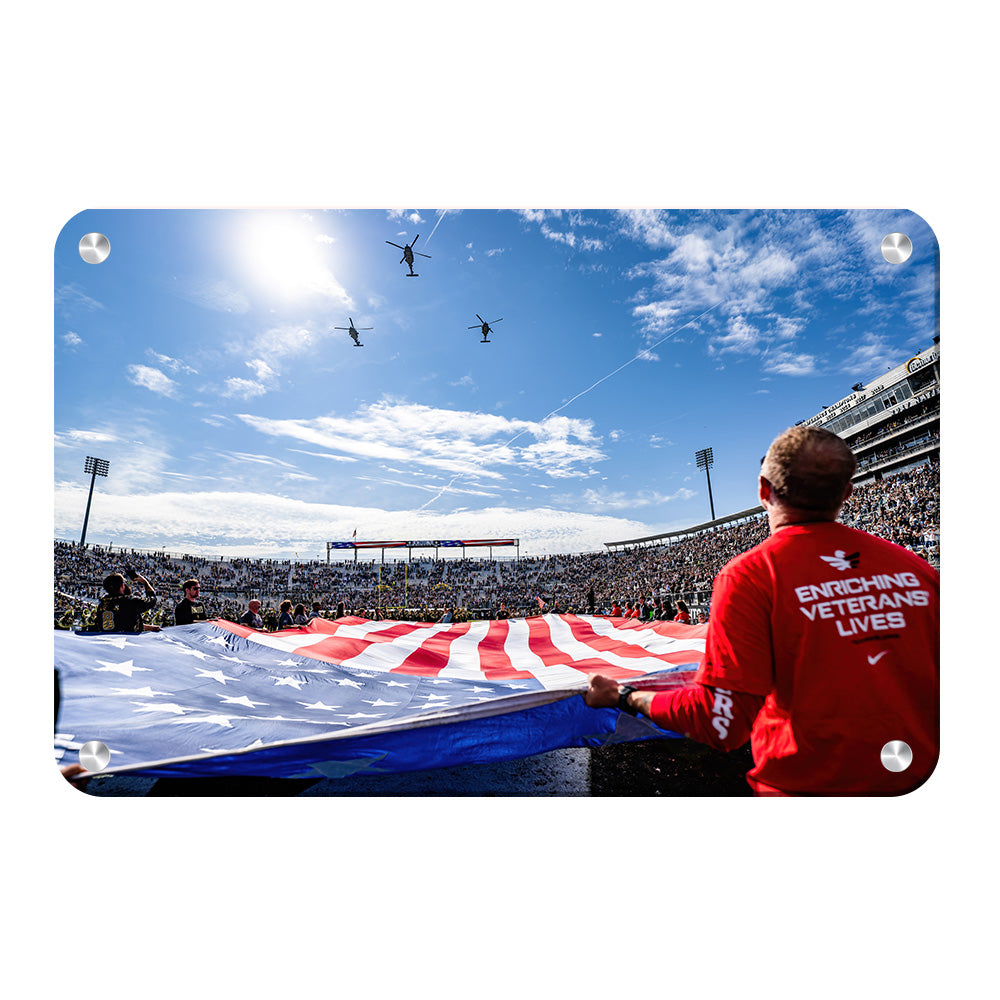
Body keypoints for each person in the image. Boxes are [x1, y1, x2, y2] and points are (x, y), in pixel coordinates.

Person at [584, 426, 939, 796]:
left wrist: (623, 696)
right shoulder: (917, 570)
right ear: (847, 492)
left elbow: (720, 723)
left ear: (763, 490)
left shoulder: (751, 575)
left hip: (807, 788)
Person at [88, 571, 158, 634]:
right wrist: (145, 582)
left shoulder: (102, 605)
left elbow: (119, 624)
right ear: (122, 586)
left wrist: (150, 628)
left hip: (109, 642)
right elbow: (152, 600)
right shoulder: (131, 602)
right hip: (128, 642)